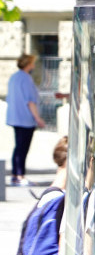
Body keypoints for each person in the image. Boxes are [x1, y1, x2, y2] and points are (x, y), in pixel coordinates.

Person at [6, 54, 47, 186]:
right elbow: (30, 102)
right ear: (28, 64)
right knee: (23, 148)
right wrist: (38, 118)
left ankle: (15, 175)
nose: (34, 65)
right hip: (25, 119)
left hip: (15, 117)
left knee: (18, 147)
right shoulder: (26, 79)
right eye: (32, 63)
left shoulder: (14, 77)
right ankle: (19, 175)